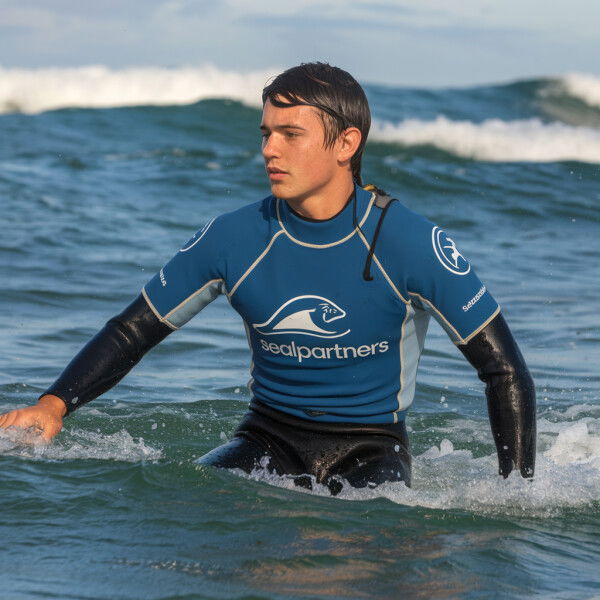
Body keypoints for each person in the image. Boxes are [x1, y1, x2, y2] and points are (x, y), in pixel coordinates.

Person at [0, 62, 536, 494]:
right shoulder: (234, 238)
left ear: (346, 144)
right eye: (266, 133)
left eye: (290, 134)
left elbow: (504, 370)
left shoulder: (411, 243)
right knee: (192, 507)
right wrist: (53, 405)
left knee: (359, 545)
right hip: (266, 437)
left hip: (371, 448)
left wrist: (515, 495)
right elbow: (133, 329)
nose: (269, 149)